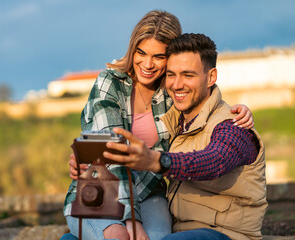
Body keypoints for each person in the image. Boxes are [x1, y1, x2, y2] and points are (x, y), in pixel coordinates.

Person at [62, 10, 254, 240]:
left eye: (159, 57)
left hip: (149, 191)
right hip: (103, 189)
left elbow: (202, 95)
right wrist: (131, 219)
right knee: (118, 236)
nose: (148, 64)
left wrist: (238, 109)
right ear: (132, 49)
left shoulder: (169, 91)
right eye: (140, 53)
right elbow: (109, 154)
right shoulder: (109, 83)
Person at [103, 33, 267, 240]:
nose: (177, 84)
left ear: (211, 77)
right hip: (176, 233)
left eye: (188, 75)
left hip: (224, 235)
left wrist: (157, 161)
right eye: (171, 75)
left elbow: (214, 161)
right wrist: (87, 163)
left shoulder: (234, 126)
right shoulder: (172, 123)